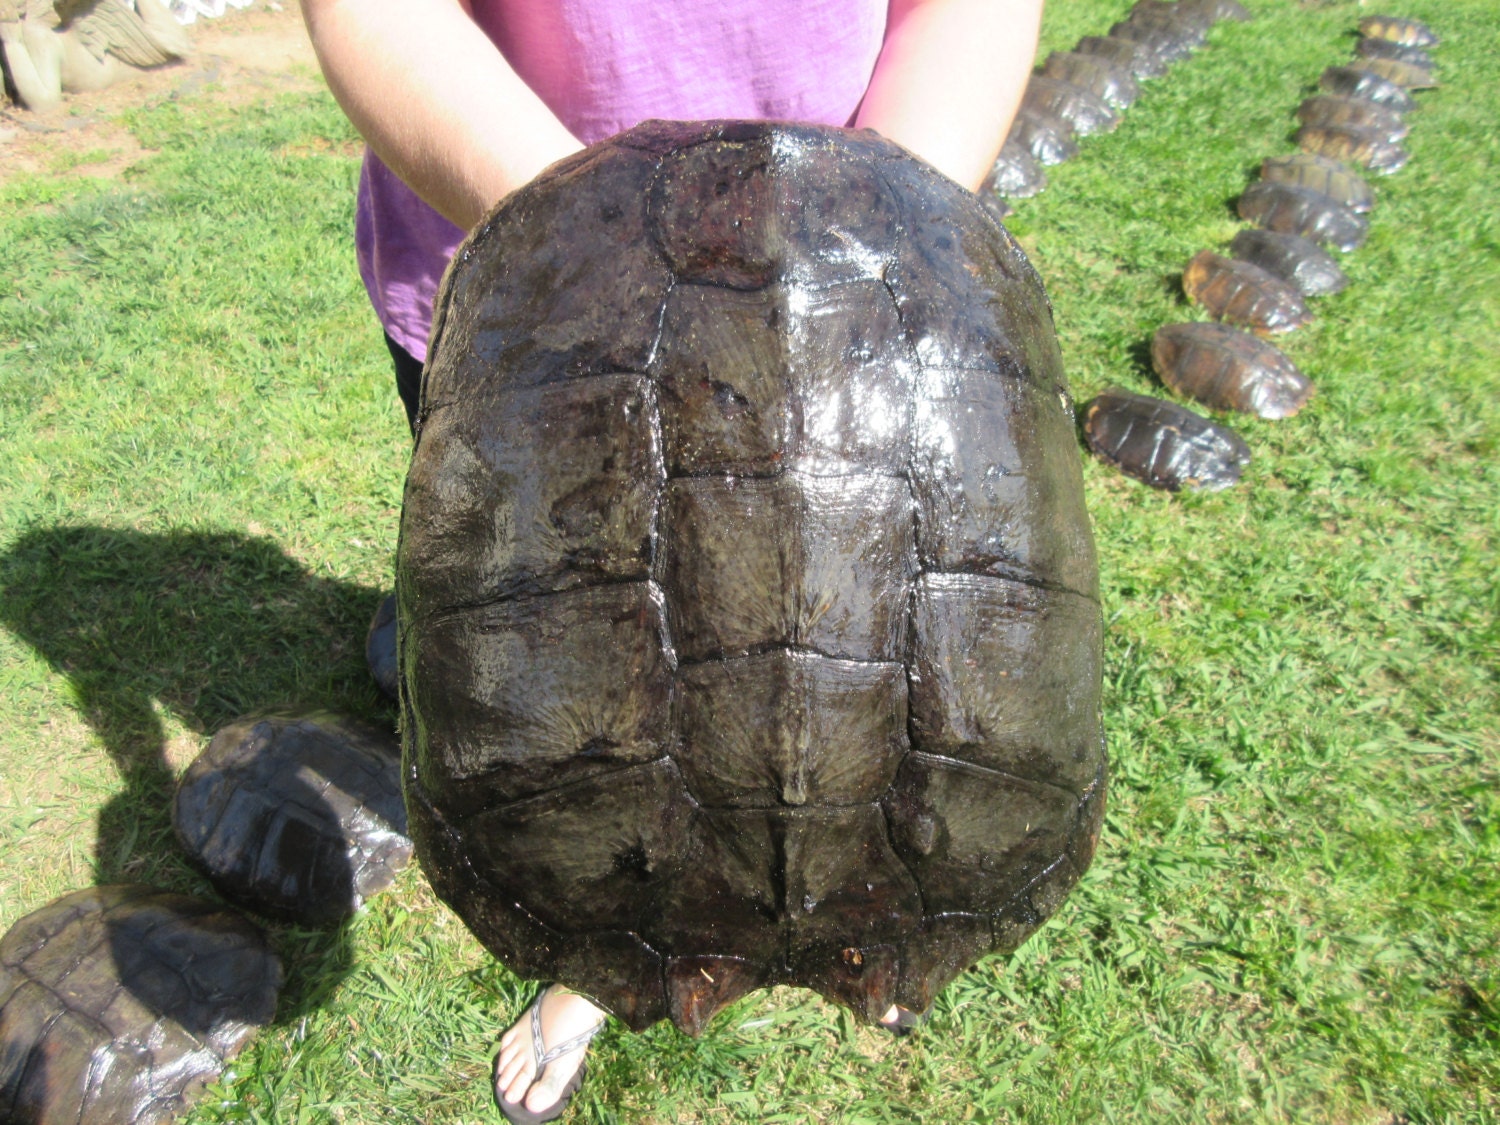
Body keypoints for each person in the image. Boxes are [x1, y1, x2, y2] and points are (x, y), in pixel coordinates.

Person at [297, 0, 1044, 1119]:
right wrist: (596, 243)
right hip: (532, 278)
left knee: (858, 640)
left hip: (855, 293)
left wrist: (871, 231)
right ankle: (595, 957)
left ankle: (874, 911)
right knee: (586, 663)